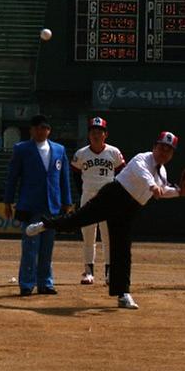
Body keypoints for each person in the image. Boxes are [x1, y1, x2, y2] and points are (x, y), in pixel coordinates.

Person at [26, 131, 185, 309]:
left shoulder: (162, 172)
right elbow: (144, 175)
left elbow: (164, 189)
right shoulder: (141, 159)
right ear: (154, 147)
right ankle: (45, 224)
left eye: (168, 150)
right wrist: (152, 186)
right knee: (75, 221)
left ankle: (123, 294)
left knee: (122, 249)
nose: (164, 152)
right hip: (113, 196)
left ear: (172, 154)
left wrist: (179, 193)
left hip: (130, 208)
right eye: (161, 148)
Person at [3, 114, 72, 296]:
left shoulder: (59, 150)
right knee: (29, 246)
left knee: (47, 247)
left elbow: (64, 178)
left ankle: (45, 282)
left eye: (45, 128)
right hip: (30, 205)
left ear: (49, 130)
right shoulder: (22, 149)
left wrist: (67, 201)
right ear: (32, 130)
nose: (42, 131)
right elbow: (13, 177)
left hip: (52, 206)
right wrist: (8, 200)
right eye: (38, 128)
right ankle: (26, 283)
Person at [71, 117, 125, 285]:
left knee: (109, 237)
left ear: (105, 135)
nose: (96, 135)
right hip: (88, 197)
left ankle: (109, 273)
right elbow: (75, 174)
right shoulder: (81, 154)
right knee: (88, 236)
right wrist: (83, 192)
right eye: (93, 132)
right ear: (89, 135)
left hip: (108, 199)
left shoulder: (114, 152)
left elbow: (123, 171)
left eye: (99, 132)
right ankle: (88, 272)